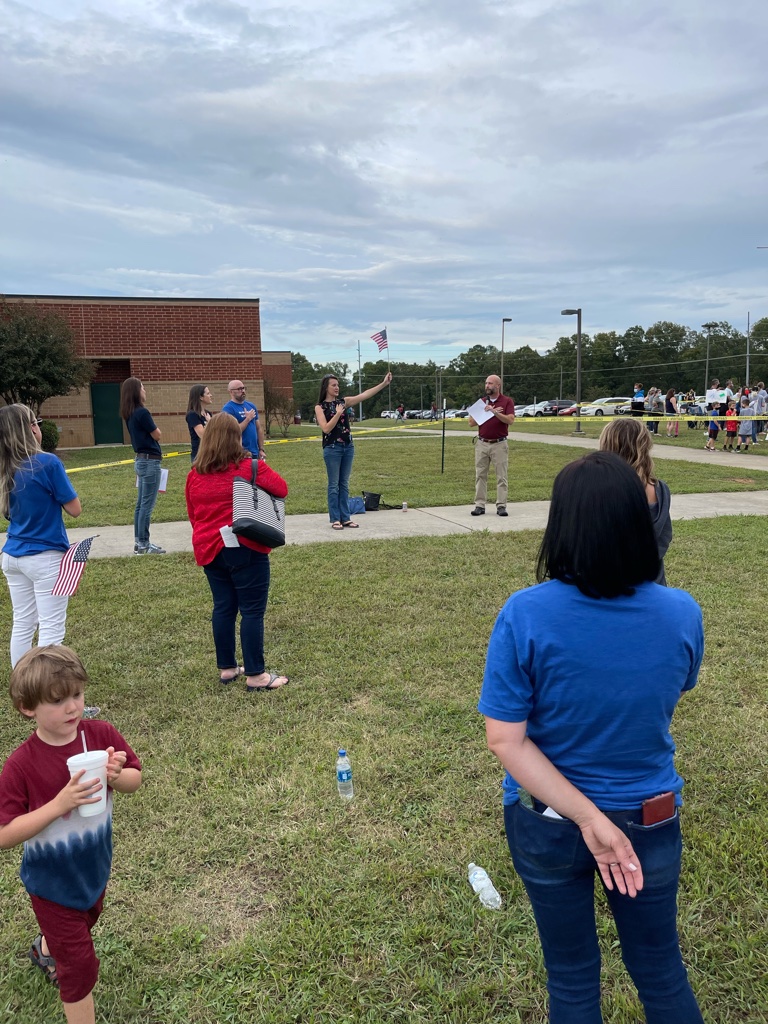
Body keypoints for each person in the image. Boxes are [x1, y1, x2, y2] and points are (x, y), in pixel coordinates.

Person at [479, 451, 704, 1024]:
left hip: (546, 819)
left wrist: (584, 818)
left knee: (572, 976)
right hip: (648, 817)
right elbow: (671, 692)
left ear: (562, 526)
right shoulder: (681, 613)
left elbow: (506, 740)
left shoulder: (524, 614)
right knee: (659, 965)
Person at [0, 645, 142, 1024]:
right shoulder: (21, 765)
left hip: (93, 870)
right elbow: (5, 833)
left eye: (77, 695)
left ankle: (46, 947)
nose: (73, 708)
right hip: (50, 884)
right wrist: (59, 804)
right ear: (27, 708)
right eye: (59, 701)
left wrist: (116, 775)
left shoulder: (99, 736)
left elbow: (135, 779)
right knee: (79, 967)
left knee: (83, 923)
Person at [185, 414, 289, 690]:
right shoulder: (248, 467)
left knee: (223, 608)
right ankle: (256, 675)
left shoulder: (195, 474)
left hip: (209, 548)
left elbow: (193, 514)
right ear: (236, 438)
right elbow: (282, 488)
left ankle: (228, 668)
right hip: (246, 546)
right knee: (252, 611)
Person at [0, 405, 82, 667]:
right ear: (30, 429)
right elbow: (75, 509)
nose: (39, 427)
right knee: (51, 629)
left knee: (23, 623)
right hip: (45, 557)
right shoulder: (48, 462)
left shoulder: (6, 467)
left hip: (13, 555)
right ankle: (50, 696)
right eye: (35, 422)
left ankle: (23, 689)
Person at [314, 371, 392, 530]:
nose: (337, 387)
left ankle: (345, 517)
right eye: (333, 385)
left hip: (348, 447)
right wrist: (337, 414)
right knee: (333, 485)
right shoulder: (320, 407)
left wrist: (384, 383)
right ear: (326, 387)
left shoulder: (344, 402)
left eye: (338, 385)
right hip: (332, 448)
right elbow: (326, 428)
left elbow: (364, 395)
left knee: (344, 484)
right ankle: (335, 519)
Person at [598, 418, 672, 585]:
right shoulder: (661, 490)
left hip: (609, 584)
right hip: (652, 583)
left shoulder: (598, 490)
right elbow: (664, 538)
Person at [119, 377, 165, 555]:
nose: (145, 391)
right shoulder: (142, 413)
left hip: (140, 460)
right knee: (147, 504)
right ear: (136, 392)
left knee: (140, 504)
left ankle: (139, 542)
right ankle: (144, 544)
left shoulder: (129, 413)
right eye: (143, 388)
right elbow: (157, 435)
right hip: (150, 461)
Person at [469, 374, 515, 517]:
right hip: (482, 443)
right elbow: (471, 423)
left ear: (498, 386)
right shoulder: (482, 402)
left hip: (499, 444)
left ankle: (501, 505)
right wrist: (484, 412)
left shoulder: (507, 401)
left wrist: (495, 412)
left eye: (490, 383)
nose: (487, 386)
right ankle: (479, 505)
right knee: (480, 474)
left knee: (501, 476)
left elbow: (510, 420)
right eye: (486, 383)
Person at [221, 379, 265, 460]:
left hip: (255, 452)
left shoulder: (251, 406)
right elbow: (233, 431)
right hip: (241, 454)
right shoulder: (228, 409)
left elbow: (258, 428)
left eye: (243, 388)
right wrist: (247, 419)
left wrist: (261, 449)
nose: (243, 391)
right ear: (231, 392)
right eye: (239, 389)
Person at [186, 384, 214, 461]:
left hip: (211, 453)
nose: (211, 395)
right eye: (208, 393)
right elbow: (202, 435)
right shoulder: (192, 415)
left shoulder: (208, 413)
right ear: (201, 397)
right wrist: (210, 422)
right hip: (199, 455)